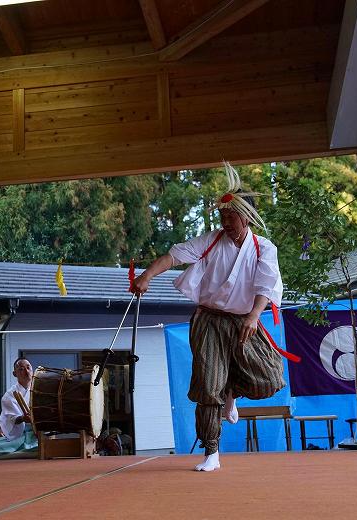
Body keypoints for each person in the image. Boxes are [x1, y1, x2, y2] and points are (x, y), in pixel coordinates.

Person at [131, 162, 289, 472]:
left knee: (269, 378)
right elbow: (174, 255)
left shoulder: (264, 248)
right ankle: (211, 451)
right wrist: (147, 276)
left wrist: (254, 316)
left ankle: (232, 390)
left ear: (247, 217)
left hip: (246, 320)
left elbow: (266, 285)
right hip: (209, 321)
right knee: (207, 384)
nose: (226, 222)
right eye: (222, 217)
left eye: (231, 216)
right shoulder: (212, 240)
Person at [0, 358, 39, 453]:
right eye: (21, 369)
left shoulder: (39, 390)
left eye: (28, 367)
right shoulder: (8, 396)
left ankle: (28, 450)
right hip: (20, 435)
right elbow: (11, 419)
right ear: (14, 373)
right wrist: (23, 418)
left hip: (37, 433)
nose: (26, 371)